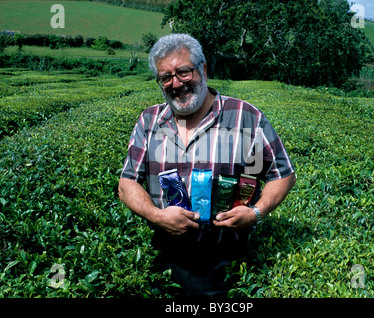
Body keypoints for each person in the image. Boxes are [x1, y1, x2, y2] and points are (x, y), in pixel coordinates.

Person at [118, 33, 296, 297]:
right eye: (165, 77)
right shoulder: (149, 121)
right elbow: (127, 182)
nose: (175, 84)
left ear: (203, 69)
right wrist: (157, 217)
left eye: (183, 72)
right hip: (165, 254)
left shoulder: (245, 118)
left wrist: (256, 213)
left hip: (227, 257)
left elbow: (282, 174)